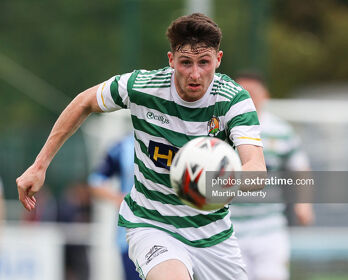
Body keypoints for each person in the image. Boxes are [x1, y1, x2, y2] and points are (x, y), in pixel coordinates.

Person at [16, 13, 266, 280]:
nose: (195, 74)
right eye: (185, 63)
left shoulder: (233, 101)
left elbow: (256, 169)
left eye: (204, 62)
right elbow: (83, 102)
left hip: (212, 236)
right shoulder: (143, 87)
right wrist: (39, 165)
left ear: (218, 59)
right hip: (152, 225)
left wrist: (221, 182)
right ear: (171, 61)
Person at [230, 72, 314, 280]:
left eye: (253, 92)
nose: (248, 97)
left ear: (265, 95)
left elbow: (300, 168)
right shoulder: (220, 127)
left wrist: (304, 204)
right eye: (243, 93)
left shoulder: (281, 130)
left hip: (269, 227)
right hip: (228, 227)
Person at [87, 133, 140, 280]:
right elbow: (94, 181)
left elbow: (210, 190)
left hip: (181, 235)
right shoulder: (124, 146)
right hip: (131, 236)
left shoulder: (193, 140)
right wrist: (120, 199)